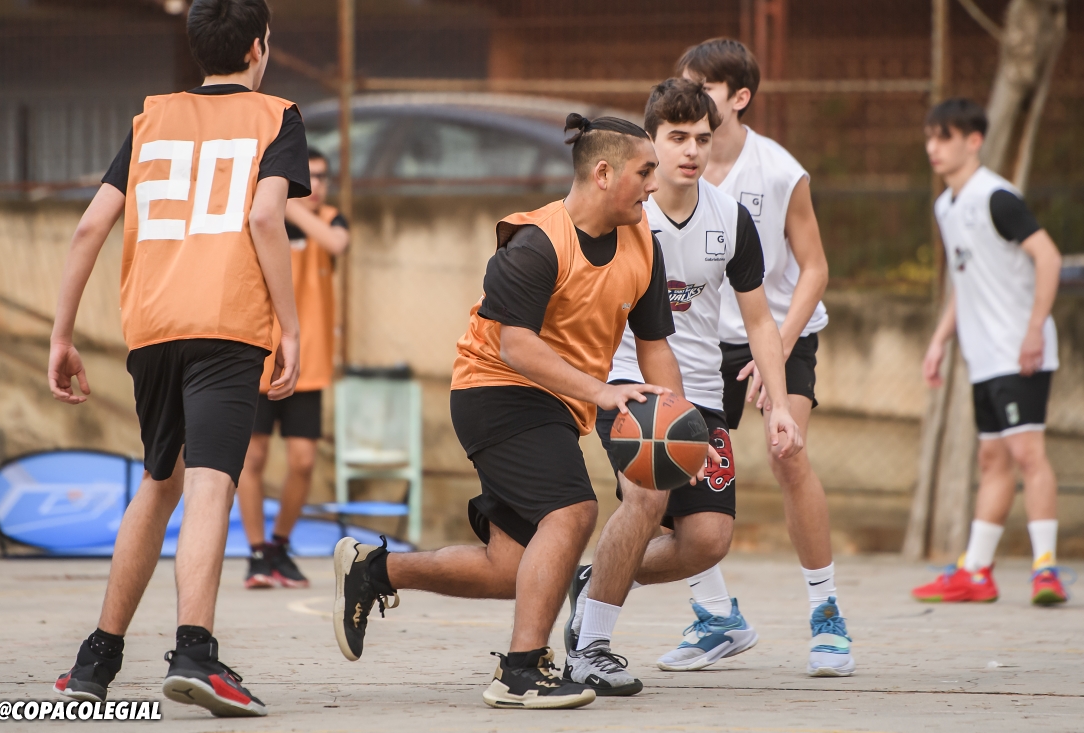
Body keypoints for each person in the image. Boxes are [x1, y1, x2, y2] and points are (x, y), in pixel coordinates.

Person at [329, 113, 716, 710]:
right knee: (572, 512)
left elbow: (655, 346)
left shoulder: (642, 243)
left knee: (511, 568)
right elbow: (516, 345)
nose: (654, 184)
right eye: (645, 172)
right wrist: (602, 391)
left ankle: (374, 572)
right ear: (603, 173)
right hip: (496, 389)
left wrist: (683, 428)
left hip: (554, 401)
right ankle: (520, 672)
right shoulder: (536, 242)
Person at [49, 0, 310, 717]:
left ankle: (95, 661)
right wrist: (290, 328)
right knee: (212, 481)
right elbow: (265, 216)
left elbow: (90, 227)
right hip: (225, 322)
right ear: (257, 47)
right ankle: (195, 651)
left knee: (159, 480)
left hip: (154, 325)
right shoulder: (276, 116)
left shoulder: (152, 117)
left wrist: (61, 334)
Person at [562, 78, 803, 695]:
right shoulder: (625, 216)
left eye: (701, 137)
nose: (692, 150)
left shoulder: (732, 219)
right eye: (677, 138)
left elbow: (759, 322)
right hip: (630, 386)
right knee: (646, 500)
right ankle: (591, 647)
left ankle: (594, 581)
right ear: (651, 142)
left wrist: (778, 404)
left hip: (702, 395)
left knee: (706, 541)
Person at [677, 38, 853, 677]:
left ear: (740, 97)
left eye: (704, 87)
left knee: (788, 454)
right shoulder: (672, 168)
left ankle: (827, 614)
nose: (691, 96)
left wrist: (774, 345)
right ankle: (715, 615)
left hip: (780, 332)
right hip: (701, 341)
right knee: (675, 466)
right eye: (685, 84)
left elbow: (816, 267)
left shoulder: (778, 171)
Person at [912, 98, 1066, 606]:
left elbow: (1048, 257)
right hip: (983, 357)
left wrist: (1035, 329)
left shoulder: (997, 198)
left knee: (1027, 454)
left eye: (944, 137)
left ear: (974, 141)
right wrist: (939, 339)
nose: (933, 147)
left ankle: (1046, 569)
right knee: (992, 458)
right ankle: (976, 572)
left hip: (1020, 352)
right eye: (930, 137)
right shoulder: (945, 206)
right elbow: (966, 281)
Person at [237, 148, 349, 590]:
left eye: (322, 177)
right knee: (253, 457)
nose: (316, 185)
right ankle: (256, 552)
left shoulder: (330, 220)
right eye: (308, 176)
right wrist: (278, 206)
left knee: (302, 461)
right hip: (261, 357)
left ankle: (280, 545)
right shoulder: (260, 218)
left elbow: (337, 244)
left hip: (310, 363)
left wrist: (289, 204)